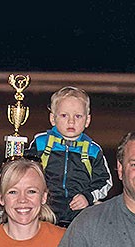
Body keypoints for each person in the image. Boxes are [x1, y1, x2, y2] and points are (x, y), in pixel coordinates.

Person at [28, 86, 113, 224]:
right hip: (44, 211)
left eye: (78, 116)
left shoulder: (93, 150)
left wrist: (87, 197)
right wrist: (6, 176)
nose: (71, 121)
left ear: (87, 120)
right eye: (64, 115)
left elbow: (105, 182)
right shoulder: (41, 143)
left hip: (78, 213)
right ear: (53, 118)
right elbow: (21, 170)